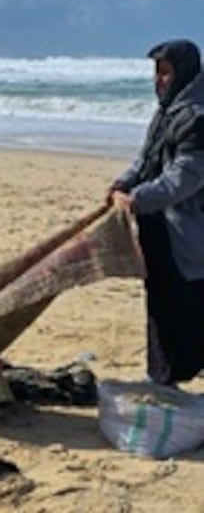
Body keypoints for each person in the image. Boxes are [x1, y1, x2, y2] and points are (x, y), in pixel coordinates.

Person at [106, 39, 204, 386]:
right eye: (157, 72)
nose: (160, 80)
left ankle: (172, 377)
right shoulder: (167, 112)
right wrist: (122, 184)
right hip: (158, 225)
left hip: (187, 231)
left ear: (185, 73)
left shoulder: (197, 120)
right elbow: (145, 160)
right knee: (161, 304)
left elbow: (183, 179)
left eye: (166, 73)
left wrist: (136, 200)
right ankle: (164, 379)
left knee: (187, 305)